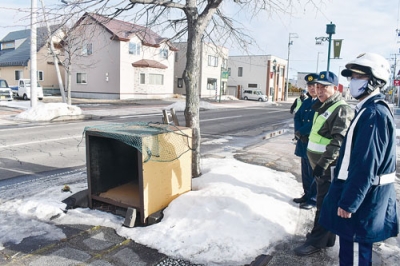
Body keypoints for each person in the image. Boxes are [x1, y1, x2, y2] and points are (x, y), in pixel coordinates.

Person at [319, 53, 399, 265]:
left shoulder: (373, 114)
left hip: (361, 203)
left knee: (354, 257)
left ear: (375, 80)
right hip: (361, 199)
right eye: (352, 77)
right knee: (352, 253)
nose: (353, 82)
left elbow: (365, 164)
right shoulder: (368, 110)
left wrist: (349, 203)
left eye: (359, 77)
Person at [294, 71, 354, 256]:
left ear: (335, 88)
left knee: (325, 204)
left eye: (324, 87)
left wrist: (323, 164)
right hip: (321, 166)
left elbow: (338, 141)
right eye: (317, 87)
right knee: (324, 202)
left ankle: (316, 242)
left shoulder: (340, 108)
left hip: (329, 167)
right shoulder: (324, 106)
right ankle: (323, 238)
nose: (319, 90)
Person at [292, 73, 319, 210]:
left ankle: (313, 199)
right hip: (303, 142)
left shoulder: (322, 102)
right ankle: (307, 194)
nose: (312, 89)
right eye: (309, 86)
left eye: (314, 85)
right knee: (305, 171)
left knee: (313, 172)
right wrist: (298, 132)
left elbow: (316, 122)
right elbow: (297, 116)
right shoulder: (307, 102)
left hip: (313, 142)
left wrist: (302, 131)